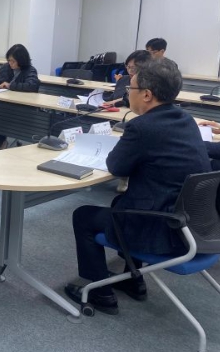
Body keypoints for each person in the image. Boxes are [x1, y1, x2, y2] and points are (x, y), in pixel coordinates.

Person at [65, 58, 211, 315]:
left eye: (129, 89)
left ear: (146, 94)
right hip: (194, 227)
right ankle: (134, 281)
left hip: (163, 230)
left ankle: (100, 293)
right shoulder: (186, 120)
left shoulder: (142, 127)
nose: (126, 95)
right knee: (121, 204)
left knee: (83, 216)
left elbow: (116, 166)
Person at [0, 44, 39, 148]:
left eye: (13, 61)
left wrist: (10, 85)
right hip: (1, 102)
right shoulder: (5, 67)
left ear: (21, 60)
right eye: (9, 60)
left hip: (19, 106)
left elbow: (32, 86)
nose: (10, 63)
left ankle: (0, 142)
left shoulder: (30, 70)